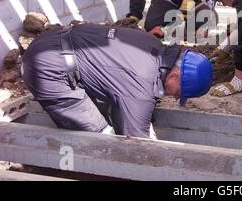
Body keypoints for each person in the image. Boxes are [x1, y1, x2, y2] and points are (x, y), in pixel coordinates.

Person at [21, 23, 213, 139]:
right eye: (180, 92)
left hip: (51, 42)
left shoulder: (152, 46)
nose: (176, 96)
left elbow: (127, 99)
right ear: (173, 76)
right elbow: (137, 141)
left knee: (112, 115)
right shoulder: (142, 86)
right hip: (48, 69)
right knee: (100, 137)